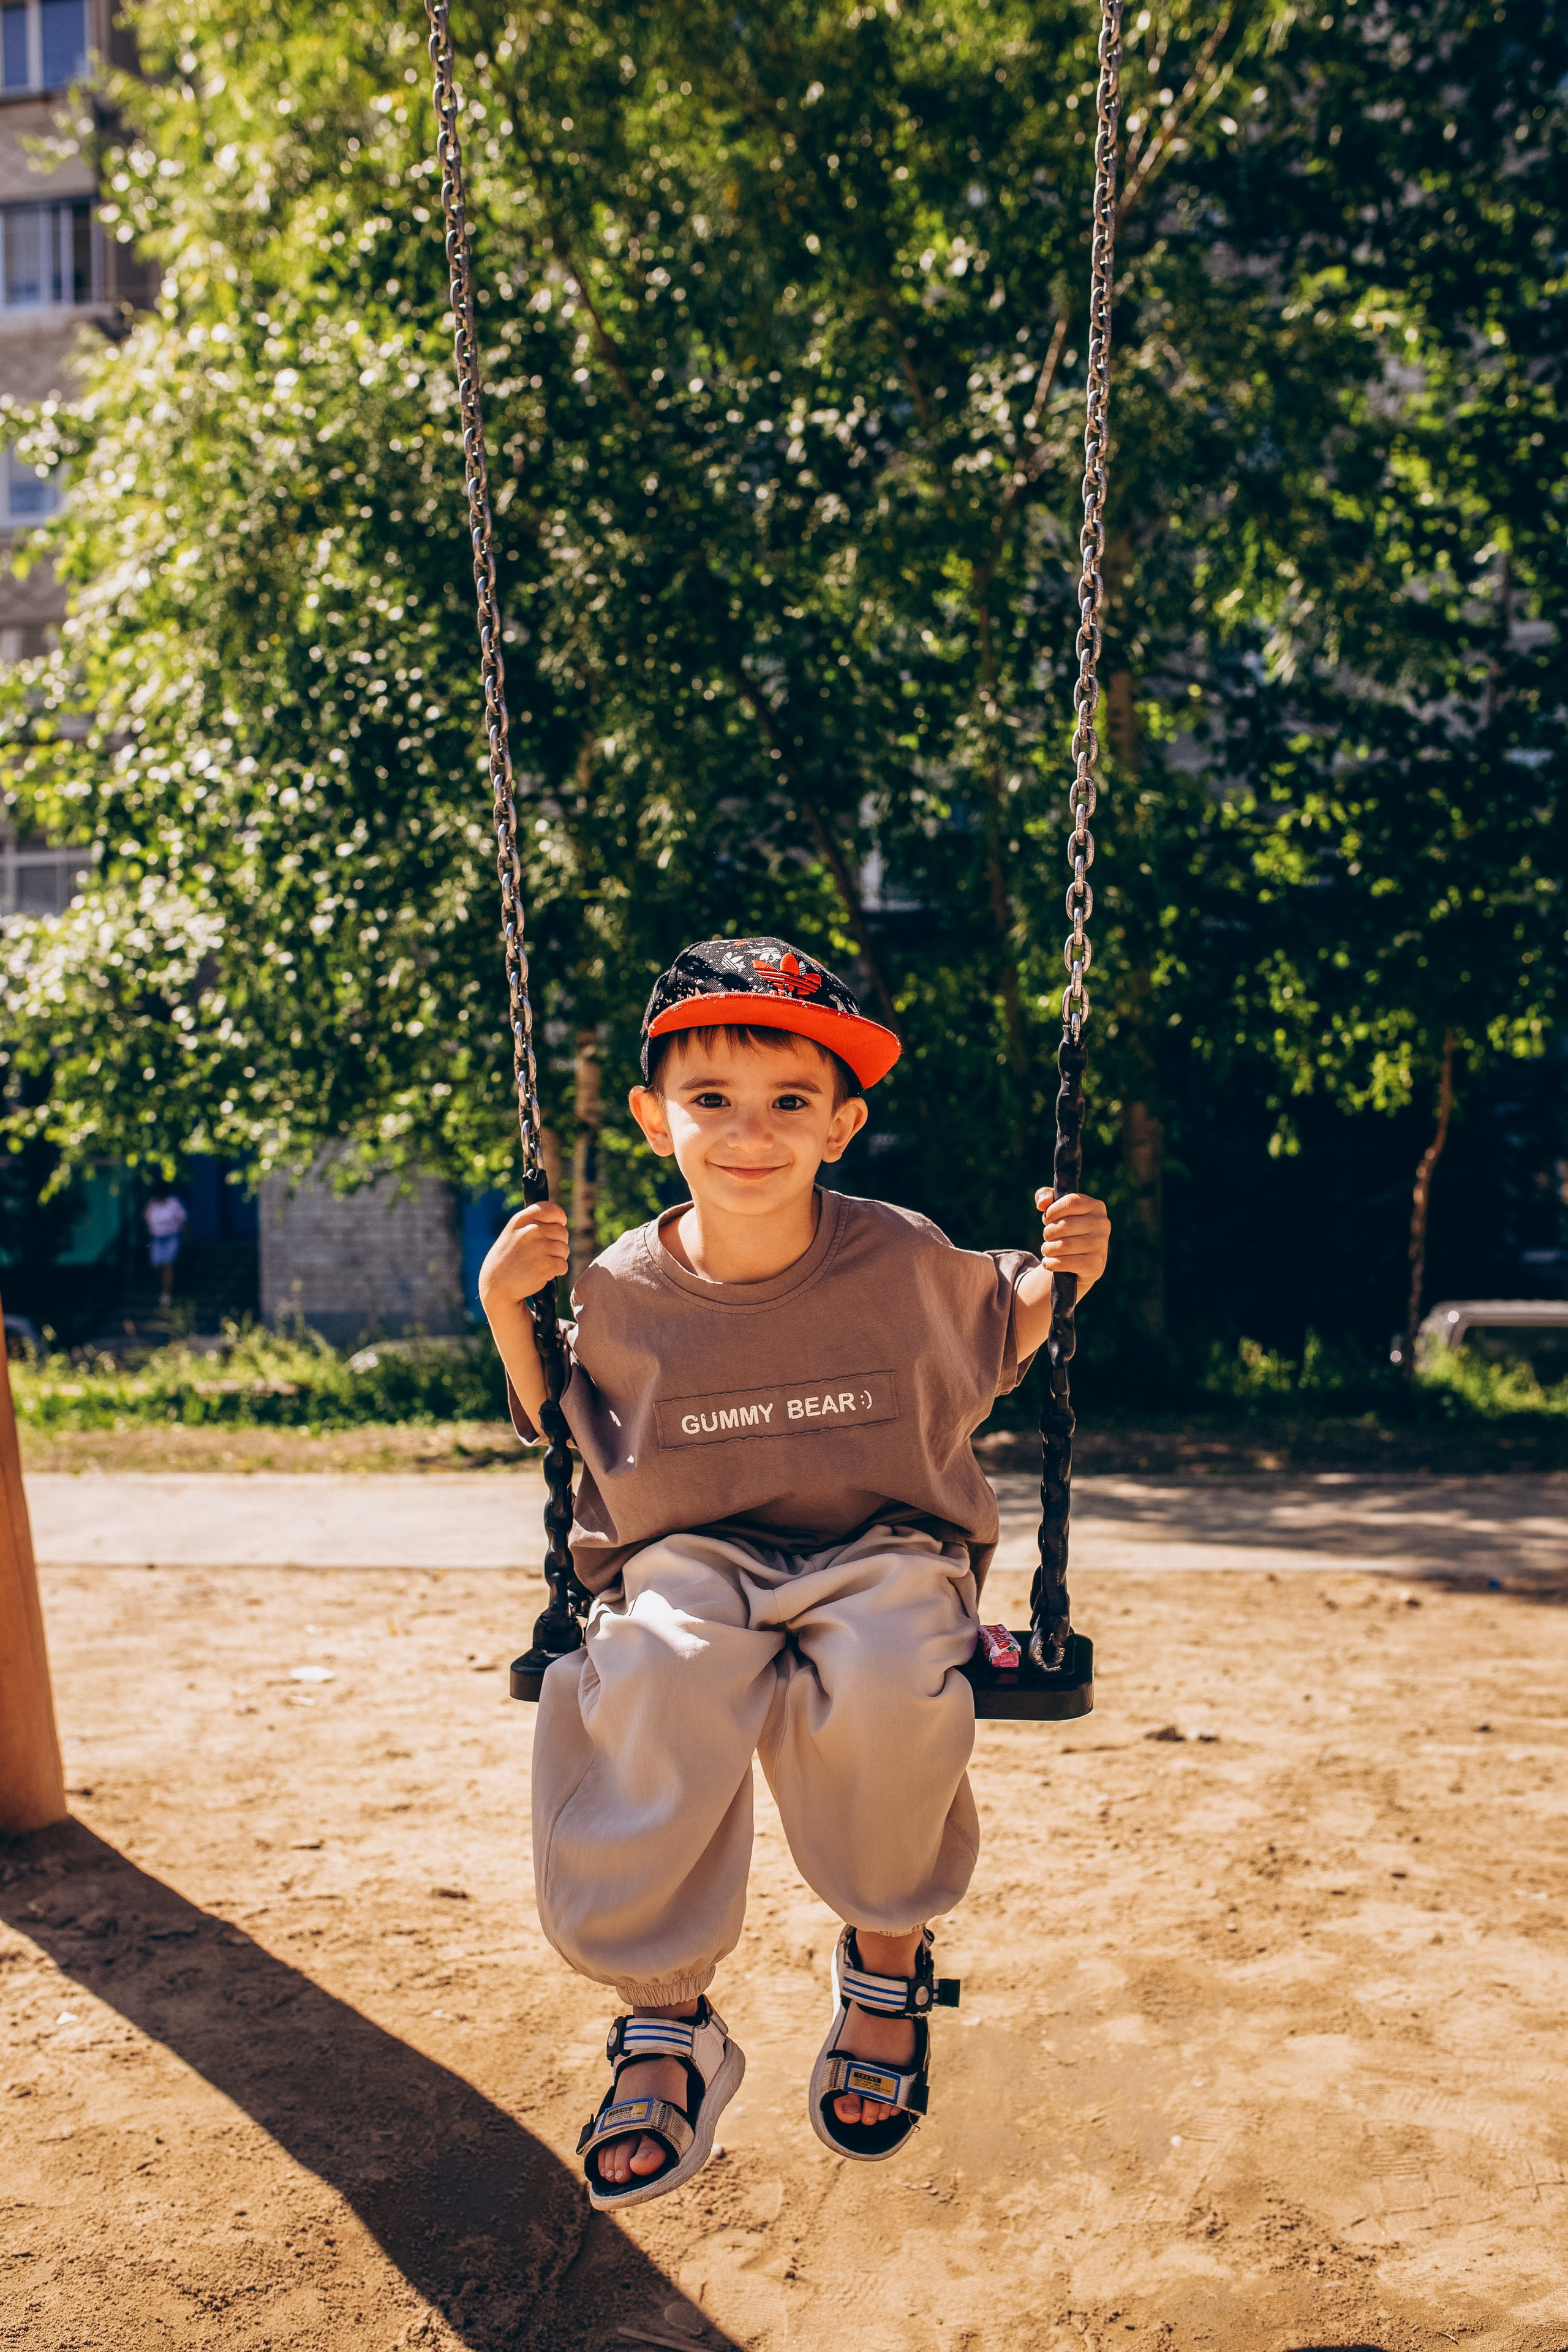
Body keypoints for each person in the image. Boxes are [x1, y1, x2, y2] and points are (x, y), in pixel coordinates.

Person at [480, 936, 1110, 2209]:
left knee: (889, 1675)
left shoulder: (894, 1255)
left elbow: (1000, 1325)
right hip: (687, 1556)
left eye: (787, 1104)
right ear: (657, 1119)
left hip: (882, 1548)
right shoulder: (615, 1287)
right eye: (710, 1101)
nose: (747, 1134)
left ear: (840, 1124)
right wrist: (503, 1304)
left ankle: (887, 1957)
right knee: (648, 1665)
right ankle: (667, 2020)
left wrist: (1070, 1264)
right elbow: (561, 1423)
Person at [143, 1182, 188, 1310]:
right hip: (156, 1238)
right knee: (157, 1265)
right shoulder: (152, 1205)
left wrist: (186, 1236)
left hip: (171, 1237)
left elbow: (184, 1220)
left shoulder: (173, 1203)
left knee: (168, 1264)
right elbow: (145, 1218)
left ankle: (166, 1294)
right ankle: (166, 1284)